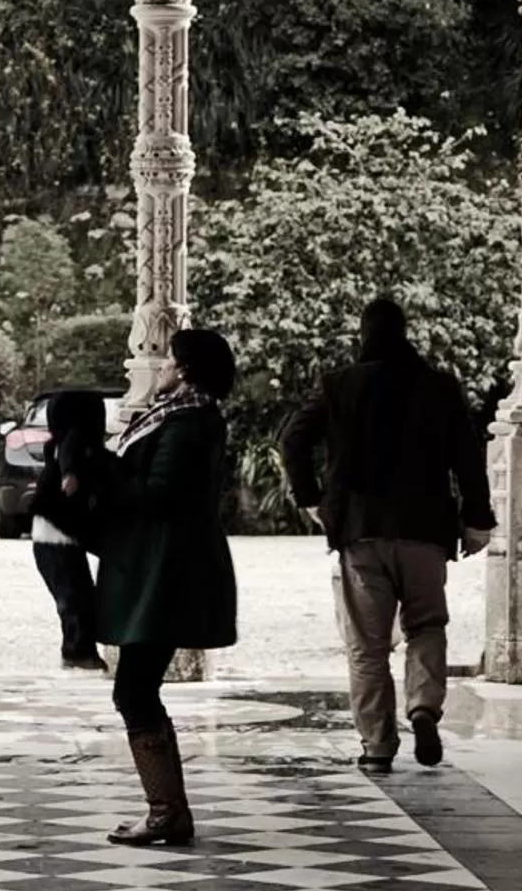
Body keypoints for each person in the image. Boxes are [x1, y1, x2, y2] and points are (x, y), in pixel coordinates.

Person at [278, 297, 494, 776]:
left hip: (361, 531)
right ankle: (423, 706)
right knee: (427, 624)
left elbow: (293, 439)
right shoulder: (440, 386)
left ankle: (377, 744)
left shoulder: (338, 384)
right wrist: (477, 518)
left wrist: (312, 500)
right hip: (425, 531)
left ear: (363, 335)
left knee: (367, 644)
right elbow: (467, 456)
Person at [70, 328, 239, 845]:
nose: (161, 365)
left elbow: (159, 494)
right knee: (137, 688)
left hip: (165, 572)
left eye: (168, 359)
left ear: (184, 370)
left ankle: (167, 812)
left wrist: (101, 464)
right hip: (161, 567)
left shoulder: (188, 424)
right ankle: (168, 810)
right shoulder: (183, 416)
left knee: (134, 689)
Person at [30, 390, 108, 671]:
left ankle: (79, 650)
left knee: (75, 596)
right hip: (57, 535)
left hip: (53, 534)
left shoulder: (56, 443)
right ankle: (78, 653)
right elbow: (71, 451)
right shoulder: (75, 440)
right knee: (75, 598)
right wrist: (70, 474)